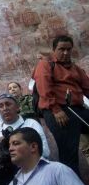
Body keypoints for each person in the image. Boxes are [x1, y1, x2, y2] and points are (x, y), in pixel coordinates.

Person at [33, 35, 89, 175]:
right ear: (54, 50)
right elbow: (44, 88)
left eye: (68, 49)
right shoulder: (45, 64)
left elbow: (87, 88)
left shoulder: (75, 68)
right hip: (58, 110)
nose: (65, 53)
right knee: (69, 152)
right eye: (61, 49)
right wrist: (56, 110)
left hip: (78, 109)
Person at [0, 93, 50, 185]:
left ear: (17, 107)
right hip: (3, 174)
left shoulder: (31, 124)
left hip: (28, 169)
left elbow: (45, 151)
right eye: (1, 106)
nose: (5, 108)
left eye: (8, 104)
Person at [7, 127, 85, 185]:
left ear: (33, 147)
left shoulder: (56, 170)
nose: (10, 149)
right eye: (9, 145)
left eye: (16, 143)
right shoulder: (12, 184)